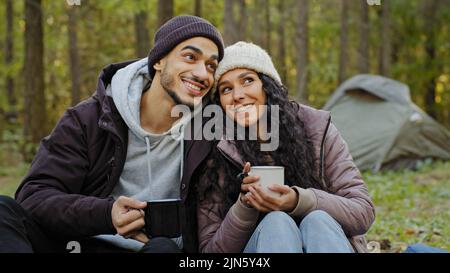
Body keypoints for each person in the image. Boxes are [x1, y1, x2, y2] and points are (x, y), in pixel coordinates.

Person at [0, 15, 224, 253]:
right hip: (73, 245)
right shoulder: (89, 119)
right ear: (159, 60)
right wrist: (106, 213)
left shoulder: (208, 131)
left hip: (148, 250)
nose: (203, 74)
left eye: (211, 65)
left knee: (164, 249)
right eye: (190, 57)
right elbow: (34, 197)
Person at [195, 41, 375, 253]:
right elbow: (211, 252)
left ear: (268, 86)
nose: (237, 95)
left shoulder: (316, 128)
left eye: (248, 80)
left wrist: (299, 201)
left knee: (317, 219)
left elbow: (363, 212)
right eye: (226, 89)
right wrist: (245, 206)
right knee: (276, 222)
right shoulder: (215, 148)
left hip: (324, 239)